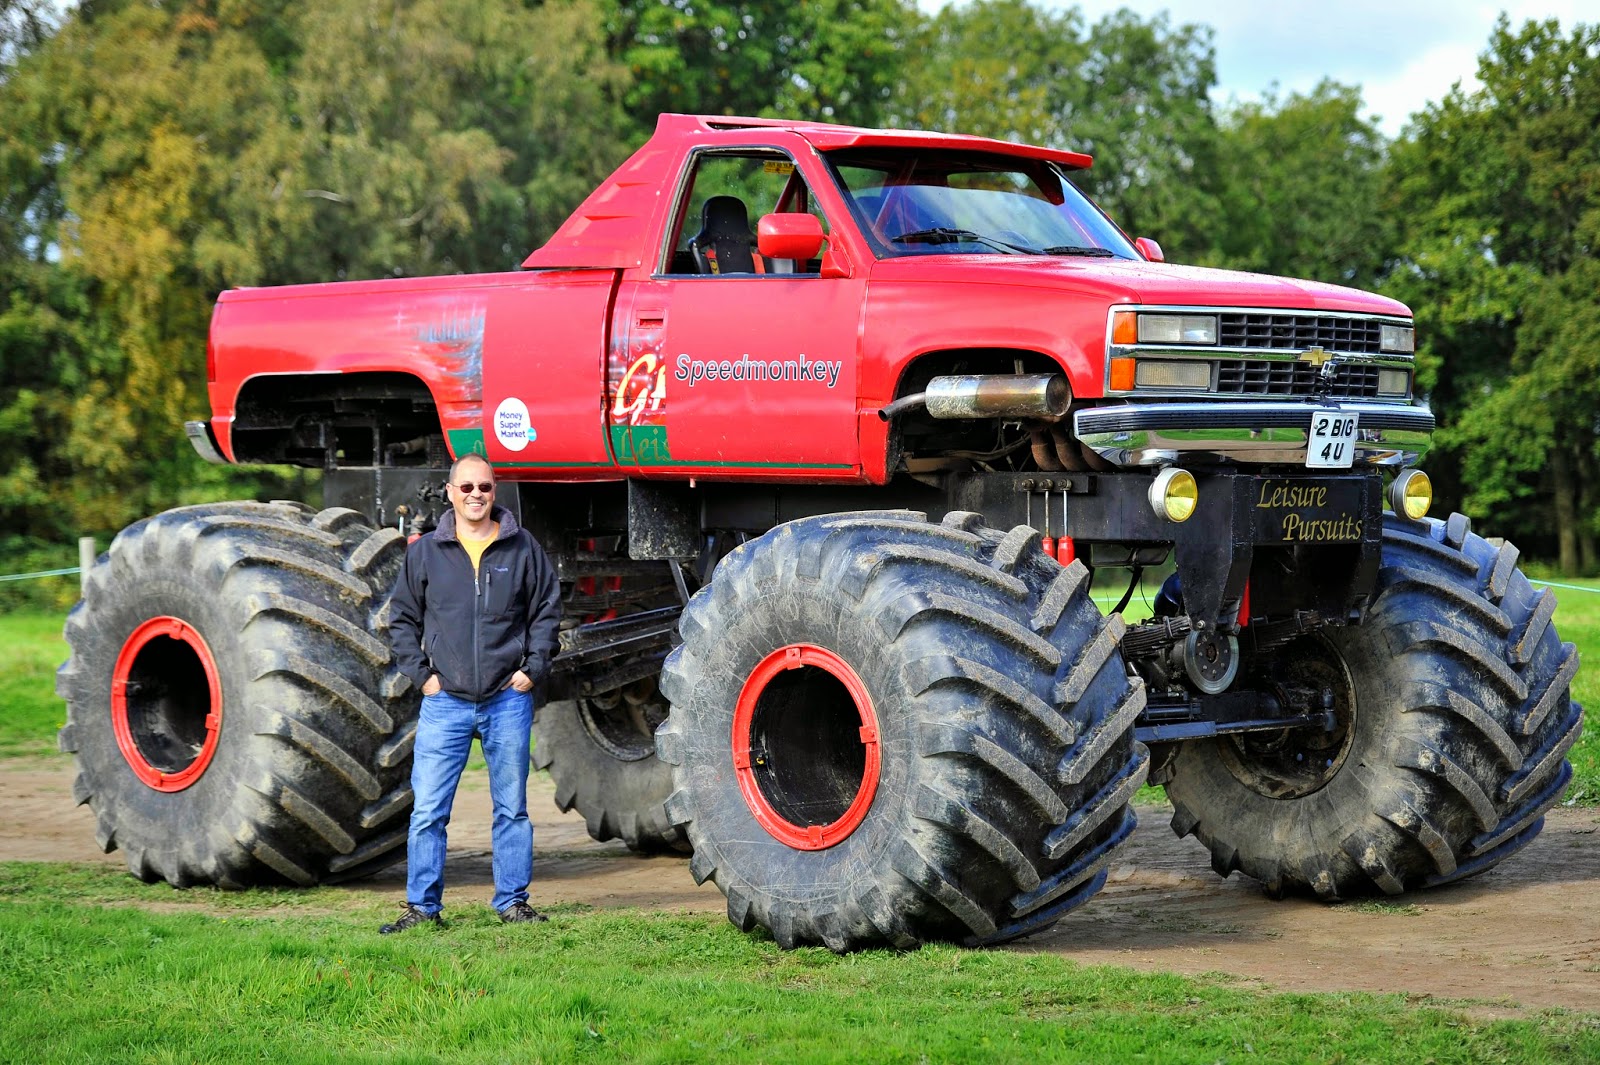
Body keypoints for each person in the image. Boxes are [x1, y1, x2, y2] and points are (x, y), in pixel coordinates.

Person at [380, 453, 562, 932]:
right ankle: (422, 908)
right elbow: (401, 618)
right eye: (466, 487)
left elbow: (547, 610)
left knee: (512, 810)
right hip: (445, 701)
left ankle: (513, 903)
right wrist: (423, 676)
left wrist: (533, 669)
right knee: (428, 811)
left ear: (494, 491)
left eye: (484, 487)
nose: (475, 495)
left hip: (507, 698)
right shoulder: (425, 552)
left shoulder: (522, 547)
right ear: (450, 492)